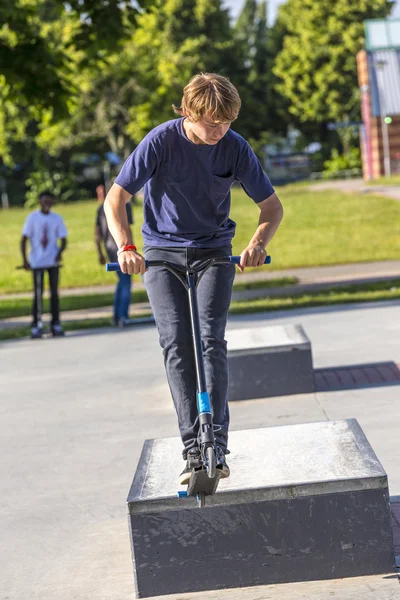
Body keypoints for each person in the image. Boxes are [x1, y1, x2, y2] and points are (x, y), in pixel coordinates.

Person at [104, 72, 284, 484]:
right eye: (212, 123)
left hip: (213, 251)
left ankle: (216, 444)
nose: (220, 131)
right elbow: (117, 199)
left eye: (227, 123)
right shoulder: (161, 142)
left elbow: (272, 208)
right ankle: (191, 447)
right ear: (188, 112)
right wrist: (126, 247)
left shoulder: (235, 148)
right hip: (162, 254)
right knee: (176, 344)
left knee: (210, 340)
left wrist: (257, 242)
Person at [21, 191, 68, 338]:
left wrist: (59, 253)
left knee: (54, 293)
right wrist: (25, 260)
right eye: (45, 201)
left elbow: (64, 239)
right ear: (39, 201)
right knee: (38, 294)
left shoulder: (57, 218)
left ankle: (55, 323)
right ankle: (36, 324)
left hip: (52, 261)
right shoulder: (32, 218)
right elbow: (23, 239)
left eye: (50, 201)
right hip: (37, 261)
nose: (47, 204)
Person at [95, 183, 135, 327]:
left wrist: (100, 251)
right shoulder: (124, 205)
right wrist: (131, 248)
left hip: (110, 248)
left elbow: (97, 234)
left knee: (121, 281)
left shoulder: (101, 208)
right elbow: (127, 228)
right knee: (126, 282)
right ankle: (122, 315)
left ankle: (116, 315)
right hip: (121, 248)